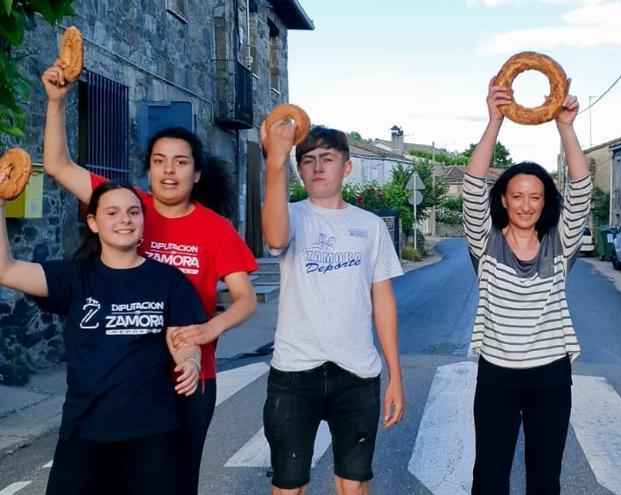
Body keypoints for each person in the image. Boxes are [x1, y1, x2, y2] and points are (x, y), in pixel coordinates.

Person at [40, 61, 259, 494]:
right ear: (149, 170)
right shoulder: (127, 206)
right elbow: (58, 166)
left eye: (180, 163)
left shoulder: (215, 228)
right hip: (127, 378)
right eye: (159, 161)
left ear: (197, 174)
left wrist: (207, 329)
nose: (169, 171)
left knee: (175, 485)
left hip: (190, 377)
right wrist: (56, 102)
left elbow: (245, 298)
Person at [0, 181, 205, 495]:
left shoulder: (168, 280)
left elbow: (183, 339)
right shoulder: (74, 276)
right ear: (93, 222)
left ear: (142, 221)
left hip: (151, 428)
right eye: (112, 212)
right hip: (85, 428)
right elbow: (7, 271)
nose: (124, 219)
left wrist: (190, 361)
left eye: (133, 212)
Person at [260, 121, 405, 495]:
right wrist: (276, 159)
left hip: (357, 373)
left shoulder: (370, 227)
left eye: (328, 158)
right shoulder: (290, 214)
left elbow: (383, 302)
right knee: (289, 486)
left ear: (347, 167)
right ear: (299, 169)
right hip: (294, 373)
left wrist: (395, 375)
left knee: (353, 485)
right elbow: (275, 237)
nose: (318, 167)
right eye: (308, 160)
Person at [462, 77, 592, 495]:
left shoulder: (559, 244)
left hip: (550, 375)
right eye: (517, 196)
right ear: (503, 199)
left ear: (543, 202)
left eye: (535, 197)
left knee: (544, 477)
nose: (525, 204)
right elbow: (471, 187)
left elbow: (581, 192)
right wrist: (494, 120)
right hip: (497, 374)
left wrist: (566, 128)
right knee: (489, 477)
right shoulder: (487, 244)